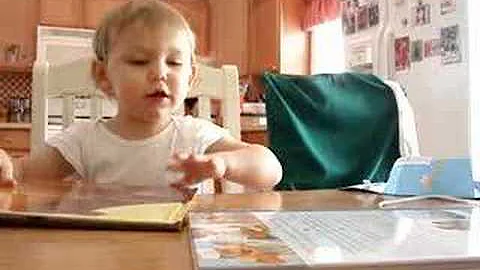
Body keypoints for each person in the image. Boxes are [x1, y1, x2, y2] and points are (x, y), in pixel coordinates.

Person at [0, 0, 282, 198]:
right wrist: (5, 165)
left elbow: (271, 168)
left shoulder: (195, 135)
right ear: (103, 76)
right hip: (110, 251)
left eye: (174, 62)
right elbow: (22, 172)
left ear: (191, 78)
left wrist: (223, 164)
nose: (159, 73)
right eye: (138, 61)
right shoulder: (83, 140)